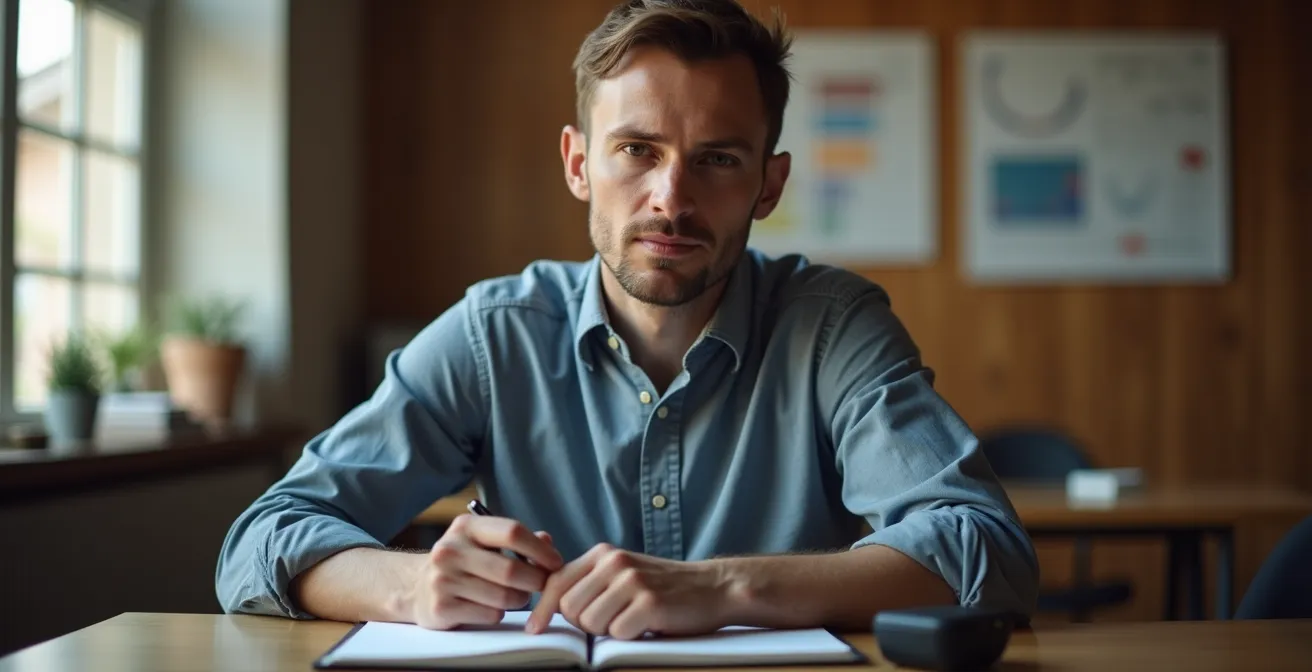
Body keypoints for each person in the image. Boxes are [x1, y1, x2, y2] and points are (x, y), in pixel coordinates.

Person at [216, 0, 1038, 641]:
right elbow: (261, 541)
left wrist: (720, 589)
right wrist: (411, 583)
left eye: (717, 159)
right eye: (637, 150)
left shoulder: (833, 330)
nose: (670, 200)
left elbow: (986, 551)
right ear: (580, 163)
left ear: (768, 186)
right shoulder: (494, 334)